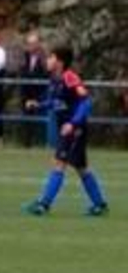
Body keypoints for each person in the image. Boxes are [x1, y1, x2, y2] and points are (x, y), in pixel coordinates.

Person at [24, 45, 107, 217]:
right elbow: (55, 102)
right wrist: (38, 105)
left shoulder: (70, 77)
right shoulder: (55, 80)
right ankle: (99, 204)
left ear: (59, 61)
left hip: (74, 130)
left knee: (59, 163)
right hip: (69, 129)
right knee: (81, 167)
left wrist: (73, 123)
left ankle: (43, 204)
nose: (47, 61)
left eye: (51, 57)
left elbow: (85, 102)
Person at [16, 33, 48, 148]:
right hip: (25, 91)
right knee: (26, 115)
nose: (31, 46)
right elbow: (21, 71)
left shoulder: (44, 57)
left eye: (34, 43)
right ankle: (26, 143)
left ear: (38, 44)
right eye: (29, 44)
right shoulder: (24, 56)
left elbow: (46, 73)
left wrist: (34, 78)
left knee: (38, 115)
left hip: (39, 91)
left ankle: (40, 142)